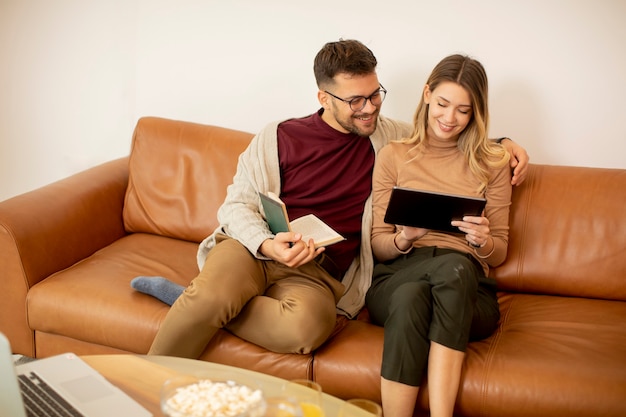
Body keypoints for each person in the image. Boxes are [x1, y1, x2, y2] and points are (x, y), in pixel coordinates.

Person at [132, 40, 529, 359]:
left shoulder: (387, 137)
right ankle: (145, 384)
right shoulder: (278, 137)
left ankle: (192, 303)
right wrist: (268, 243)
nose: (369, 108)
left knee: (307, 330)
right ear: (324, 97)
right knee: (214, 293)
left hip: (317, 272)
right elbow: (235, 206)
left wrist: (504, 143)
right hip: (255, 250)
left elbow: (444, 133)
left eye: (375, 95)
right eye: (356, 101)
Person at [365, 54, 512, 417]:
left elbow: (500, 254)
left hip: (467, 289)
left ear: (476, 111)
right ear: (427, 94)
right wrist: (406, 237)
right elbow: (380, 247)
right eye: (443, 104)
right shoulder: (393, 156)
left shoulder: (493, 162)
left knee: (447, 275)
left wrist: (482, 241)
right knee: (414, 288)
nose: (449, 119)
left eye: (463, 110)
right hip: (400, 273)